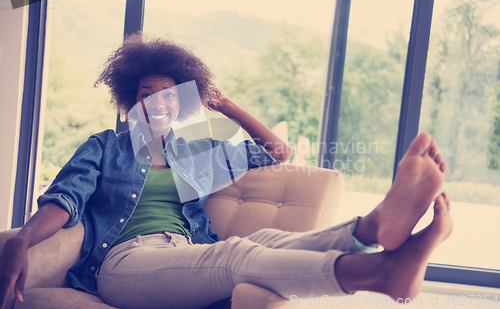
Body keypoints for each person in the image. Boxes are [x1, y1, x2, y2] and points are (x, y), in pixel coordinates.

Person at [0, 35, 452, 309]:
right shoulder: (105, 146)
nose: (157, 101)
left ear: (180, 104)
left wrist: (225, 104)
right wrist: (21, 239)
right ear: (130, 102)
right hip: (124, 265)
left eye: (169, 94)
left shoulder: (195, 154)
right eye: (145, 93)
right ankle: (377, 274)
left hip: (182, 252)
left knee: (266, 241)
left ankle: (373, 228)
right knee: (234, 255)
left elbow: (276, 151)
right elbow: (65, 199)